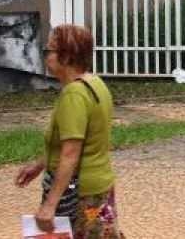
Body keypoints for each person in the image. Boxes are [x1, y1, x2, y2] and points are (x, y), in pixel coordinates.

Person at [16, 24, 124, 238]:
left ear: (66, 56)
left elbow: (70, 154)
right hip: (98, 184)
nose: (46, 56)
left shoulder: (73, 96)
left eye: (50, 51)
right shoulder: (95, 84)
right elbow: (82, 141)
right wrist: (40, 165)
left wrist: (50, 204)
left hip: (79, 193)